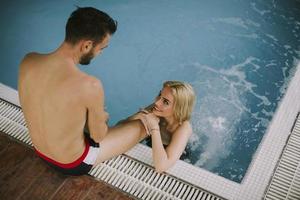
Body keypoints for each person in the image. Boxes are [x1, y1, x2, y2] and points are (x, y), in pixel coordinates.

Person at [18, 7, 149, 176]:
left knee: (109, 120)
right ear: (87, 45)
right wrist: (101, 117)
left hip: (41, 152)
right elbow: (98, 136)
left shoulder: (28, 60)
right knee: (143, 124)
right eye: (102, 48)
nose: (100, 53)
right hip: (72, 163)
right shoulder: (90, 85)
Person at [120, 81, 196, 172]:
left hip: (179, 158)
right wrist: (137, 116)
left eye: (166, 102)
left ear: (178, 108)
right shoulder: (157, 109)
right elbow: (120, 127)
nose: (157, 102)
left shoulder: (183, 128)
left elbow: (161, 167)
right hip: (154, 144)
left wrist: (154, 127)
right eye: (160, 95)